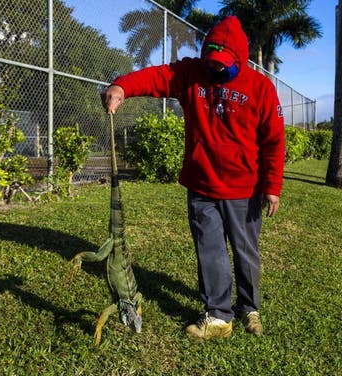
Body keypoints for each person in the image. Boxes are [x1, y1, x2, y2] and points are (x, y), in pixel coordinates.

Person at [102, 16, 285, 340]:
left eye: (224, 65)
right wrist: (123, 86)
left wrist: (272, 187)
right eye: (211, 63)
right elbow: (157, 77)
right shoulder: (191, 73)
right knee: (210, 249)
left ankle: (249, 307)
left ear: (240, 59)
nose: (216, 70)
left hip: (245, 188)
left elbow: (273, 141)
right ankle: (218, 315)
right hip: (202, 185)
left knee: (246, 252)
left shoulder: (261, 88)